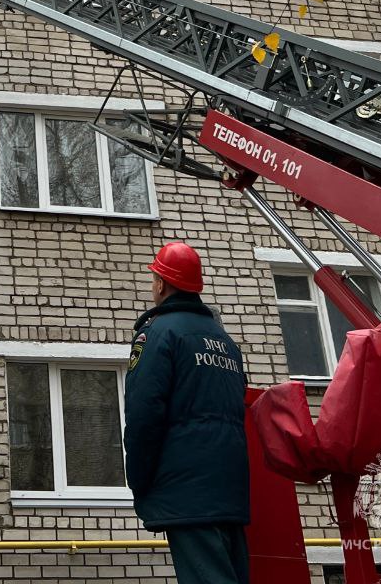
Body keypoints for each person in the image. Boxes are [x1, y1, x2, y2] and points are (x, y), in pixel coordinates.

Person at [124, 241, 250, 584]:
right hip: (230, 491)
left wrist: (139, 481)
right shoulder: (225, 342)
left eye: (154, 279)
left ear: (162, 284)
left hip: (187, 494)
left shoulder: (157, 334)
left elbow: (143, 415)